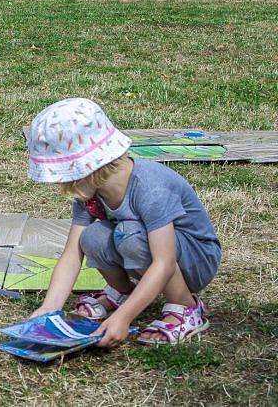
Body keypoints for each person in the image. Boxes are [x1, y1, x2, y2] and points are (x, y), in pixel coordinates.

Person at [25, 98, 221, 346]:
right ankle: (123, 292)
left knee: (128, 234)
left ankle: (186, 307)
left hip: (195, 259)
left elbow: (164, 262)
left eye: (66, 177)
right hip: (144, 251)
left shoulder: (150, 187)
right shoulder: (89, 191)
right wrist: (49, 309)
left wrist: (123, 317)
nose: (64, 187)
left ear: (89, 168)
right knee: (91, 237)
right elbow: (72, 254)